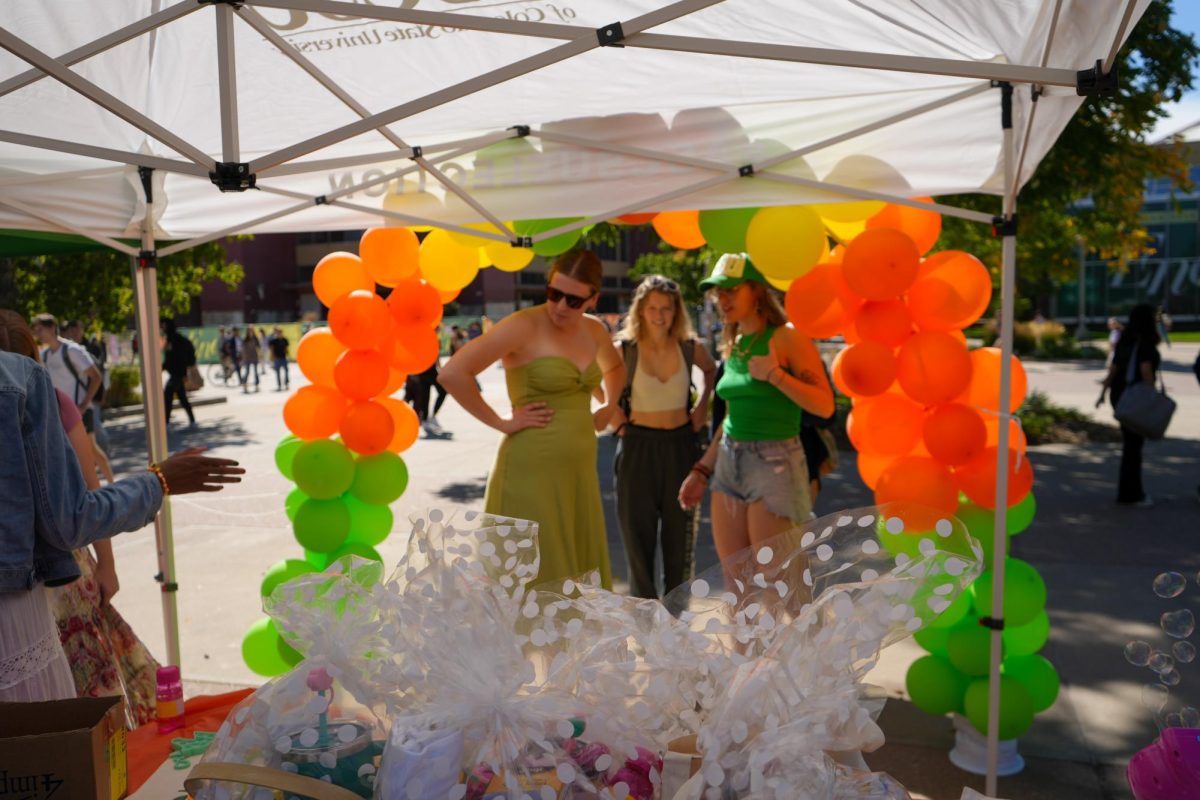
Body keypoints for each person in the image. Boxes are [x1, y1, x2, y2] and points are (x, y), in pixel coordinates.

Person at [0, 342, 243, 704]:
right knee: (37, 753)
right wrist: (158, 481)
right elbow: (70, 518)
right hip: (14, 628)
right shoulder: (18, 378)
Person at [0, 311, 160, 722]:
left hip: (47, 581)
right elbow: (79, 507)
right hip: (43, 585)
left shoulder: (52, 398)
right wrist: (158, 482)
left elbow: (85, 487)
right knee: (75, 706)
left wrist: (107, 564)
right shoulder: (36, 390)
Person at [439, 250, 624, 588]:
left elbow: (615, 368)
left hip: (578, 474)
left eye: (573, 300)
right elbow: (453, 374)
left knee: (574, 588)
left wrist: (609, 407)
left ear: (593, 299)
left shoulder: (594, 330)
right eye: (554, 294)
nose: (560, 307)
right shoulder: (524, 325)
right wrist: (501, 422)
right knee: (531, 583)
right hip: (530, 471)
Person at [678, 253, 834, 564]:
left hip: (774, 462)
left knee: (780, 588)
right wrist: (701, 470)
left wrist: (775, 376)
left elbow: (825, 406)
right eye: (718, 292)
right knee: (737, 585)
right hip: (728, 461)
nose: (723, 299)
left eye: (732, 290)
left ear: (757, 291)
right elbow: (732, 416)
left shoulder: (786, 338)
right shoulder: (735, 342)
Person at [609, 275, 716, 602]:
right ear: (640, 310)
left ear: (676, 311)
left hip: (682, 447)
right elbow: (598, 385)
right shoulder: (624, 349)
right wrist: (616, 419)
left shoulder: (689, 347)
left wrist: (701, 408)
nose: (659, 315)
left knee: (679, 545)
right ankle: (644, 623)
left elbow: (713, 372)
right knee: (637, 545)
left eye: (666, 308)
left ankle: (675, 621)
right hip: (637, 448)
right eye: (652, 307)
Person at [31, 313, 114, 484]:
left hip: (80, 410)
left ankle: (109, 486)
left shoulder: (72, 350)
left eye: (40, 329)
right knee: (76, 454)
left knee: (90, 451)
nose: (37, 334)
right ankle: (93, 490)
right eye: (35, 330)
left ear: (53, 328)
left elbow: (96, 376)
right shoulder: (45, 355)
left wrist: (84, 404)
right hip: (60, 412)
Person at [1097, 303, 1162, 507]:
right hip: (1136, 397)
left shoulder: (1125, 340)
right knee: (1134, 447)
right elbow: (1146, 371)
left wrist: (1103, 393)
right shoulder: (1146, 344)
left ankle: (1128, 491)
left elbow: (1114, 369)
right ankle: (1132, 493)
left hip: (1120, 397)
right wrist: (1152, 396)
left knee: (1129, 445)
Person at [162, 319, 197, 426]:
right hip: (177, 374)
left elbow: (176, 358)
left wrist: (183, 373)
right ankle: (192, 419)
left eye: (163, 326)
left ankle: (166, 422)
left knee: (168, 396)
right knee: (182, 397)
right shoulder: (171, 339)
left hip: (177, 374)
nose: (162, 328)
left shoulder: (174, 340)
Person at [267, 327, 290, 391]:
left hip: (284, 358)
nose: (279, 334)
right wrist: (272, 357)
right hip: (277, 358)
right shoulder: (274, 341)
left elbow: (287, 348)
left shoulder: (285, 340)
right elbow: (272, 349)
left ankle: (286, 383)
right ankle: (279, 385)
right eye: (278, 333)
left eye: (280, 333)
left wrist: (288, 356)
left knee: (286, 371)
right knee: (278, 373)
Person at [240, 328, 261, 393]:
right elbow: (242, 349)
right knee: (247, 372)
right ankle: (245, 385)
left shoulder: (255, 339)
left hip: (254, 357)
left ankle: (257, 385)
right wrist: (243, 358)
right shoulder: (245, 339)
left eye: (252, 331)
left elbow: (259, 347)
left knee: (256, 372)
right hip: (247, 358)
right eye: (249, 331)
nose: (251, 333)